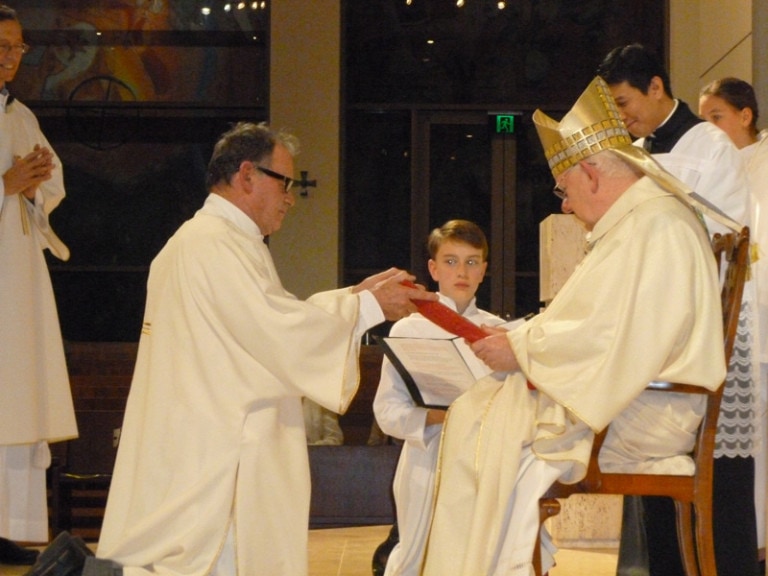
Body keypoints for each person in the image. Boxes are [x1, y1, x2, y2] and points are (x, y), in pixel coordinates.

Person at [25, 121, 435, 576]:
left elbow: (268, 321)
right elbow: (277, 331)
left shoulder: (214, 241)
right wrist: (366, 306)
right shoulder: (213, 245)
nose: (290, 198)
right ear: (246, 175)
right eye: (286, 184)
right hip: (216, 456)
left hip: (206, 438)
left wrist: (354, 298)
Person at [419, 76, 729, 576]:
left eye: (563, 190)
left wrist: (521, 349)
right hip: (636, 397)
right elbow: (600, 326)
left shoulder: (656, 225)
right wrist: (521, 344)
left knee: (485, 420)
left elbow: (616, 336)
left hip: (651, 411)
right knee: (480, 410)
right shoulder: (639, 223)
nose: (563, 204)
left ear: (591, 172)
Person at [597, 44, 759, 576]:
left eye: (625, 102)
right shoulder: (638, 148)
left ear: (657, 87)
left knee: (716, 478)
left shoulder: (709, 143)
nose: (624, 116)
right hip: (657, 331)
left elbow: (719, 232)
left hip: (705, 327)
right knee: (654, 469)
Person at [372, 219, 504, 576]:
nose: (461, 271)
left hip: (483, 466)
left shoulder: (501, 333)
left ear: (484, 271)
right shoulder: (409, 329)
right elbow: (386, 409)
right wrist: (434, 417)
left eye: (472, 261)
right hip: (425, 464)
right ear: (432, 269)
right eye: (450, 261)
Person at [0, 4, 77, 567]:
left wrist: (34, 186)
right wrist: (5, 183)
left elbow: (48, 190)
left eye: (18, 47)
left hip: (18, 280)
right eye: (2, 46)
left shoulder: (22, 115)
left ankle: (6, 527)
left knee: (17, 399)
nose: (11, 57)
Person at [699, 76, 768, 572]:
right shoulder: (710, 167)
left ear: (746, 115)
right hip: (735, 321)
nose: (710, 129)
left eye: (717, 117)